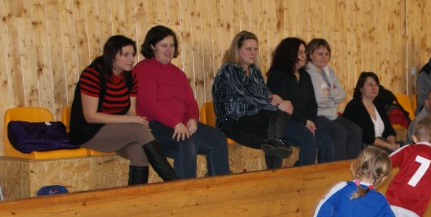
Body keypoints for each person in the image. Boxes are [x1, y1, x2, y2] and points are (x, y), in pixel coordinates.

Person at [69, 35, 177, 185]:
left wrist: (136, 121)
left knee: (139, 152)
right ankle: (173, 181)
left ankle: (136, 197)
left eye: (132, 54)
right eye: (126, 55)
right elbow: (90, 116)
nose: (131, 59)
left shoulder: (130, 76)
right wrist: (133, 121)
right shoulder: (93, 74)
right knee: (138, 129)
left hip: (115, 130)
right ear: (112, 55)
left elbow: (131, 111)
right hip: (88, 131)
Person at [134, 25, 230, 179]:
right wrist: (175, 123)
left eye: (172, 45)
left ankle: (219, 186)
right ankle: (186, 190)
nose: (169, 50)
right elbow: (149, 104)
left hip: (181, 125)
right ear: (152, 47)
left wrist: (193, 119)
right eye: (164, 45)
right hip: (154, 126)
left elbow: (190, 102)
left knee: (217, 138)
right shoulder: (143, 69)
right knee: (185, 143)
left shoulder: (178, 73)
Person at [212, 31, 294, 169]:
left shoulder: (254, 71)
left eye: (255, 49)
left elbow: (265, 93)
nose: (253, 53)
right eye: (248, 49)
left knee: (281, 114)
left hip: (253, 117)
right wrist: (276, 104)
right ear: (237, 50)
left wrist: (276, 99)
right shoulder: (229, 70)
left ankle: (274, 142)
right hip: (232, 120)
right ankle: (275, 147)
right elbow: (246, 95)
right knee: (273, 130)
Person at [267, 37, 334, 165]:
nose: (304, 56)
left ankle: (324, 176)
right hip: (284, 123)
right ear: (289, 54)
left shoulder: (304, 75)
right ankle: (304, 175)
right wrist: (305, 122)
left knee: (326, 140)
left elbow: (312, 104)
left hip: (304, 122)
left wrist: (311, 122)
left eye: (304, 52)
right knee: (308, 139)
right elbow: (285, 108)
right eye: (300, 53)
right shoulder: (278, 75)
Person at [304, 38, 363, 160]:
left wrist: (329, 93)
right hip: (317, 115)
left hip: (332, 114)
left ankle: (351, 167)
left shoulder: (329, 71)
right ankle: (339, 169)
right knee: (340, 132)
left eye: (327, 54)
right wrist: (333, 94)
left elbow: (342, 95)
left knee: (356, 131)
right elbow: (318, 99)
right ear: (310, 54)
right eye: (320, 54)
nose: (324, 57)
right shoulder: (307, 72)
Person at [342, 72, 398, 151]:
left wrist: (392, 144)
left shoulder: (378, 104)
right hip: (363, 149)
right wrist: (388, 146)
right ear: (361, 88)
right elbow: (364, 136)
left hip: (382, 146)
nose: (374, 88)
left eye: (376, 85)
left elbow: (389, 130)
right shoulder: (354, 106)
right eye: (370, 85)